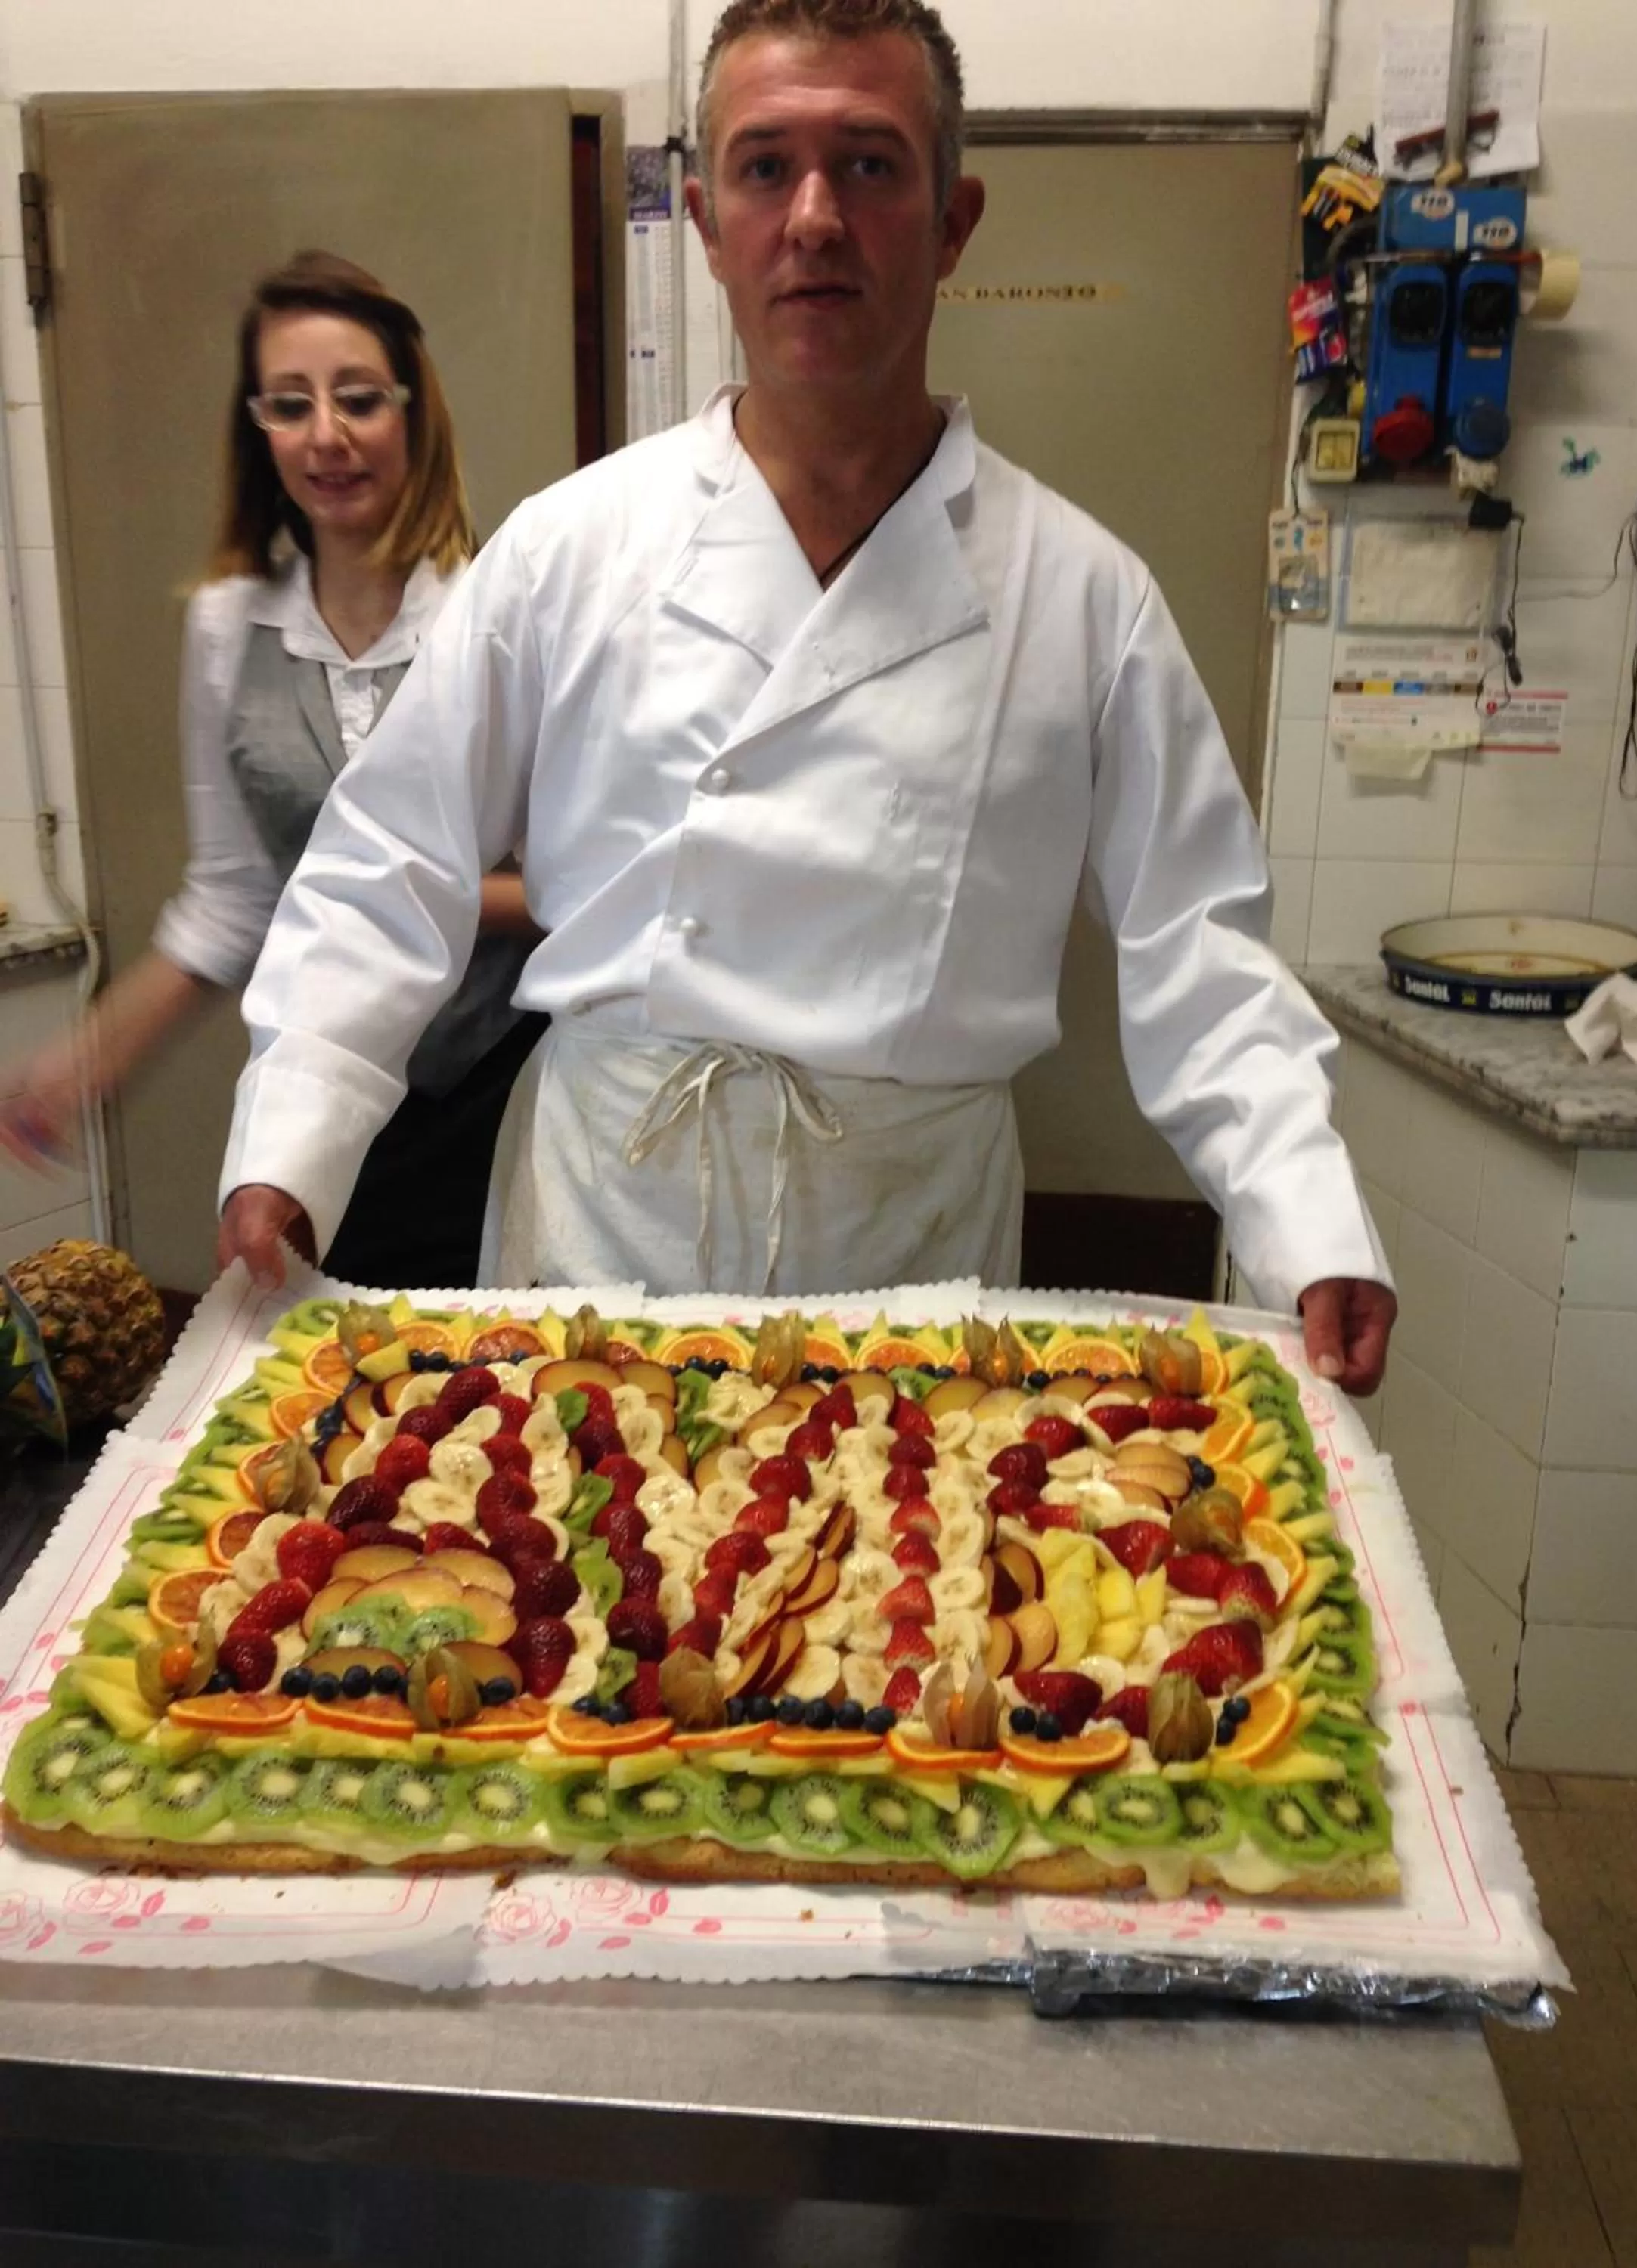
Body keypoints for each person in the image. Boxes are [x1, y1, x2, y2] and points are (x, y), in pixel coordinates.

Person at [216, 2, 1398, 1393]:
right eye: (766, 167)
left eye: (872, 164)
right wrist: (295, 1138)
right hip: (605, 1218)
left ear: (952, 221)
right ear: (710, 222)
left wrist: (1307, 1221)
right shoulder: (571, 548)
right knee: (585, 1584)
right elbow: (387, 862)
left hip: (912, 1238)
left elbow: (1196, 947)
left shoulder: (1080, 595)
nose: (817, 216)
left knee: (896, 1596)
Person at [0, 250, 542, 1287]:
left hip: (497, 1089)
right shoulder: (227, 626)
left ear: (412, 415)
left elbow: (576, 889)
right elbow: (233, 901)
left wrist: (397, 895)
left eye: (358, 400)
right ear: (259, 431)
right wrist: (87, 1063)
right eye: (291, 405)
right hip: (321, 1098)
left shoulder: (495, 613)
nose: (327, 435)